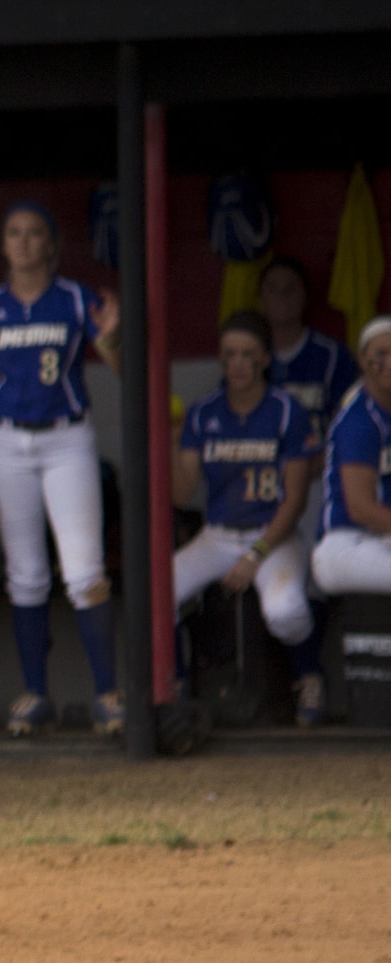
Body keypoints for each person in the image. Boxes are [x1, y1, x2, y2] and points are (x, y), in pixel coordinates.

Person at [0, 201, 125, 738]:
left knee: (85, 571)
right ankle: (36, 693)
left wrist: (113, 335)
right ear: (4, 244)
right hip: (7, 443)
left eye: (35, 234)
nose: (25, 243)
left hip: (66, 439)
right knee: (26, 575)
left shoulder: (77, 299)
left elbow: (124, 369)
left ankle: (107, 693)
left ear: (52, 244)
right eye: (15, 233)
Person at [171, 312, 325, 723]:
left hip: (273, 535)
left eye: (247, 355)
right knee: (158, 593)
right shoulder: (204, 413)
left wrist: (256, 554)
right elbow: (181, 492)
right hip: (218, 535)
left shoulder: (287, 411)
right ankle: (175, 687)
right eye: (229, 355)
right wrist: (171, 439)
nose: (237, 364)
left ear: (264, 360)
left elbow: (294, 501)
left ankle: (308, 677)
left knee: (285, 610)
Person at [261, 259, 361, 544]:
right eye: (272, 289)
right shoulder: (250, 355)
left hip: (318, 473)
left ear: (305, 296)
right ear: (260, 298)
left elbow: (350, 419)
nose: (281, 296)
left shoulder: (331, 354)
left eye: (290, 289)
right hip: (263, 478)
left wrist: (319, 461)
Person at [309, 316, 391, 597]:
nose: (389, 363)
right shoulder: (359, 418)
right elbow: (361, 508)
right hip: (346, 544)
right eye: (381, 354)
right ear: (363, 358)